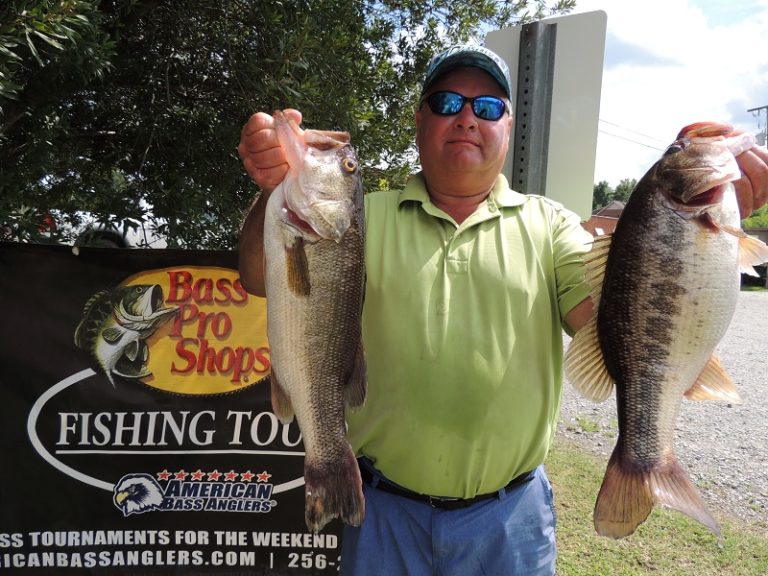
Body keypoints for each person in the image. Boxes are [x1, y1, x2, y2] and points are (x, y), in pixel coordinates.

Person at [237, 44, 768, 575]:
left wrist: (686, 242)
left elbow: (611, 323)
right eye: (447, 102)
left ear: (507, 127)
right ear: (420, 120)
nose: (467, 118)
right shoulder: (358, 216)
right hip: (383, 513)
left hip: (510, 522)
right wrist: (275, 189)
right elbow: (261, 277)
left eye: (487, 107)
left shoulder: (552, 226)